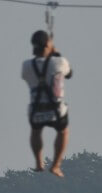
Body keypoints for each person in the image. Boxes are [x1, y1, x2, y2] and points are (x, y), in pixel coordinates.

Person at [22, 29, 72, 177]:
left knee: (36, 131)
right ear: (47, 46)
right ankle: (56, 165)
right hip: (56, 111)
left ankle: (38, 162)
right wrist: (55, 53)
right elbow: (69, 74)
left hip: (36, 112)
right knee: (63, 131)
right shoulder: (59, 62)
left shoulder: (26, 65)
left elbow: (26, 76)